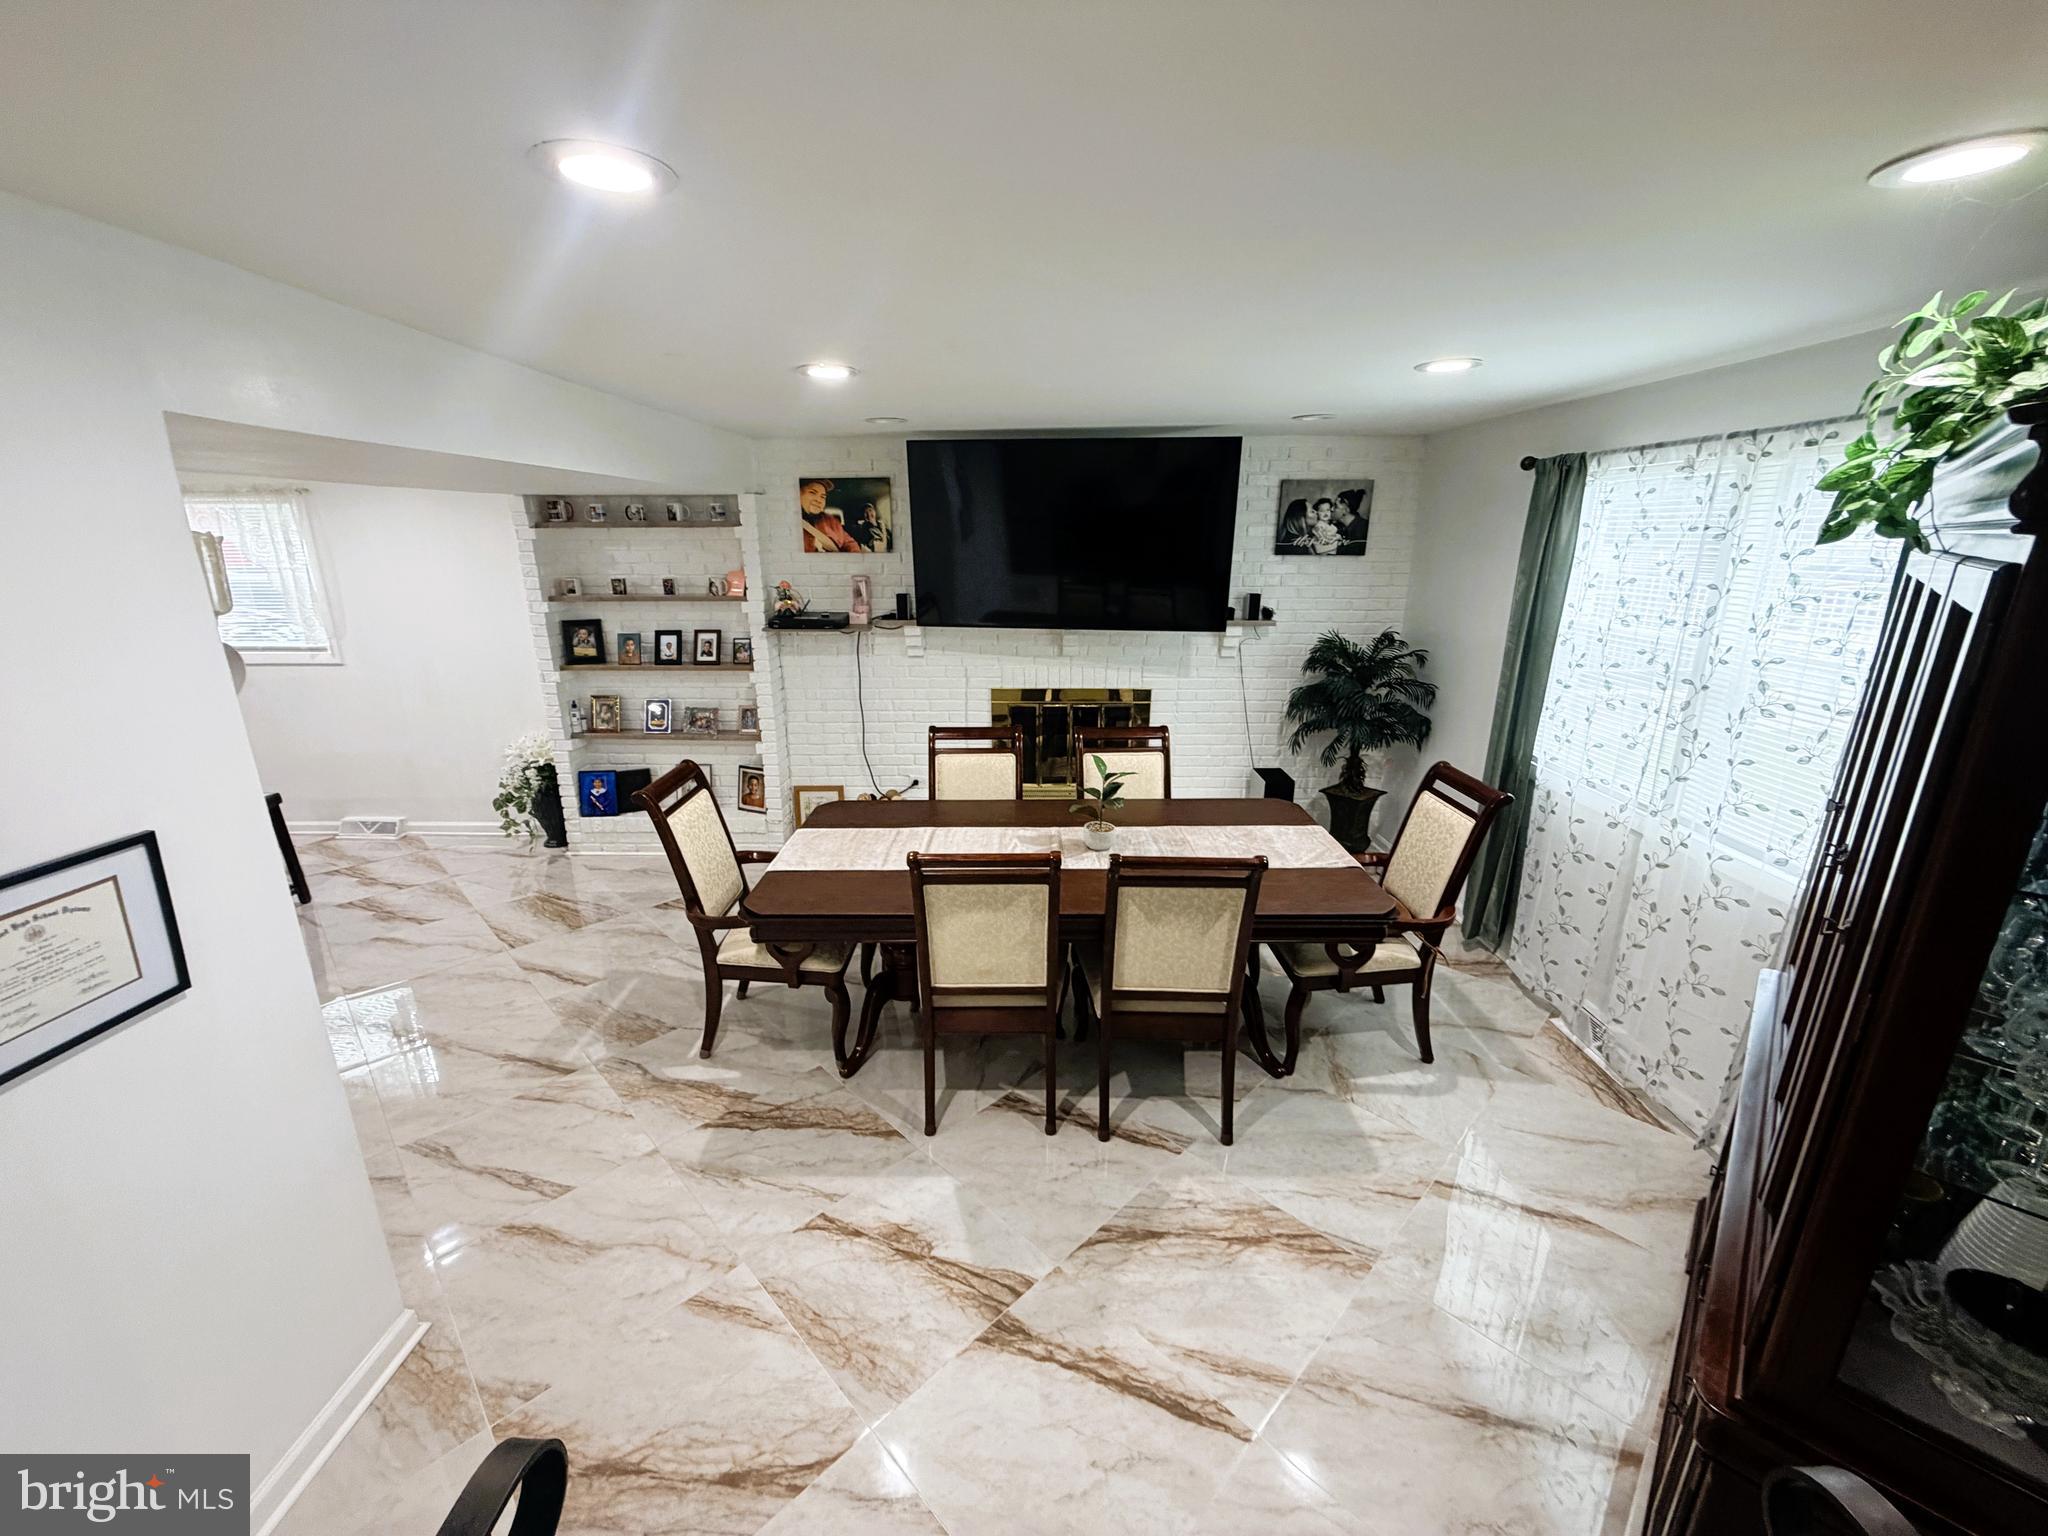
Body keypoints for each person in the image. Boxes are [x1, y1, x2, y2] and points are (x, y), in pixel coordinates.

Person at [800, 477, 862, 552]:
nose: (819, 500)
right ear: (799, 494)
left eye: (823, 497)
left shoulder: (831, 521)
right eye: (812, 492)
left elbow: (850, 543)